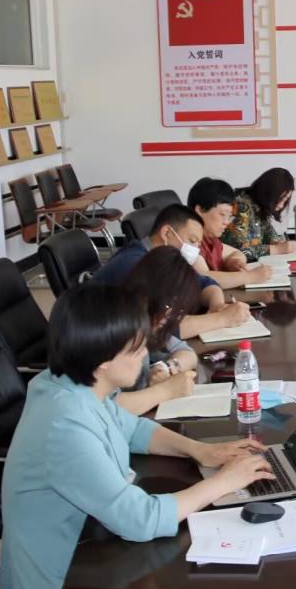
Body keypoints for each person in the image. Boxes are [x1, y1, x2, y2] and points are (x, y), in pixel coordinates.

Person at [0, 284, 275, 589]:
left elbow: (131, 428)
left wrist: (199, 451)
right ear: (103, 361)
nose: (145, 356)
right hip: (60, 587)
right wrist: (223, 482)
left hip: (93, 548)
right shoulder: (64, 425)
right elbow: (139, 519)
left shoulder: (72, 382)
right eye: (136, 349)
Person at [89, 204, 250, 338]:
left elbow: (205, 282)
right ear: (166, 233)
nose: (195, 250)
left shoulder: (166, 261)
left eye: (198, 244)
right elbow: (161, 327)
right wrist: (222, 319)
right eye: (192, 241)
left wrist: (217, 305)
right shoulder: (135, 264)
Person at [113, 246, 201, 416]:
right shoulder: (113, 327)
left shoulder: (145, 322)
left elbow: (187, 353)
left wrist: (166, 368)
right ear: (147, 293)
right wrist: (166, 390)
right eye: (168, 305)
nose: (169, 316)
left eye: (178, 309)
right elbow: (103, 406)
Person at [187, 177, 272, 289]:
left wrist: (234, 261)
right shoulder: (190, 241)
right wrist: (250, 276)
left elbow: (236, 252)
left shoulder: (210, 239)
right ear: (200, 210)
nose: (227, 222)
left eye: (229, 216)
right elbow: (204, 277)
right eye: (222, 214)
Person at [221, 168, 296, 261]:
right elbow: (237, 251)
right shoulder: (241, 205)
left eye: (285, 201)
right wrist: (277, 249)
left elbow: (271, 237)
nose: (281, 205)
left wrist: (278, 243)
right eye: (280, 199)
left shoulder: (258, 206)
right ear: (268, 192)